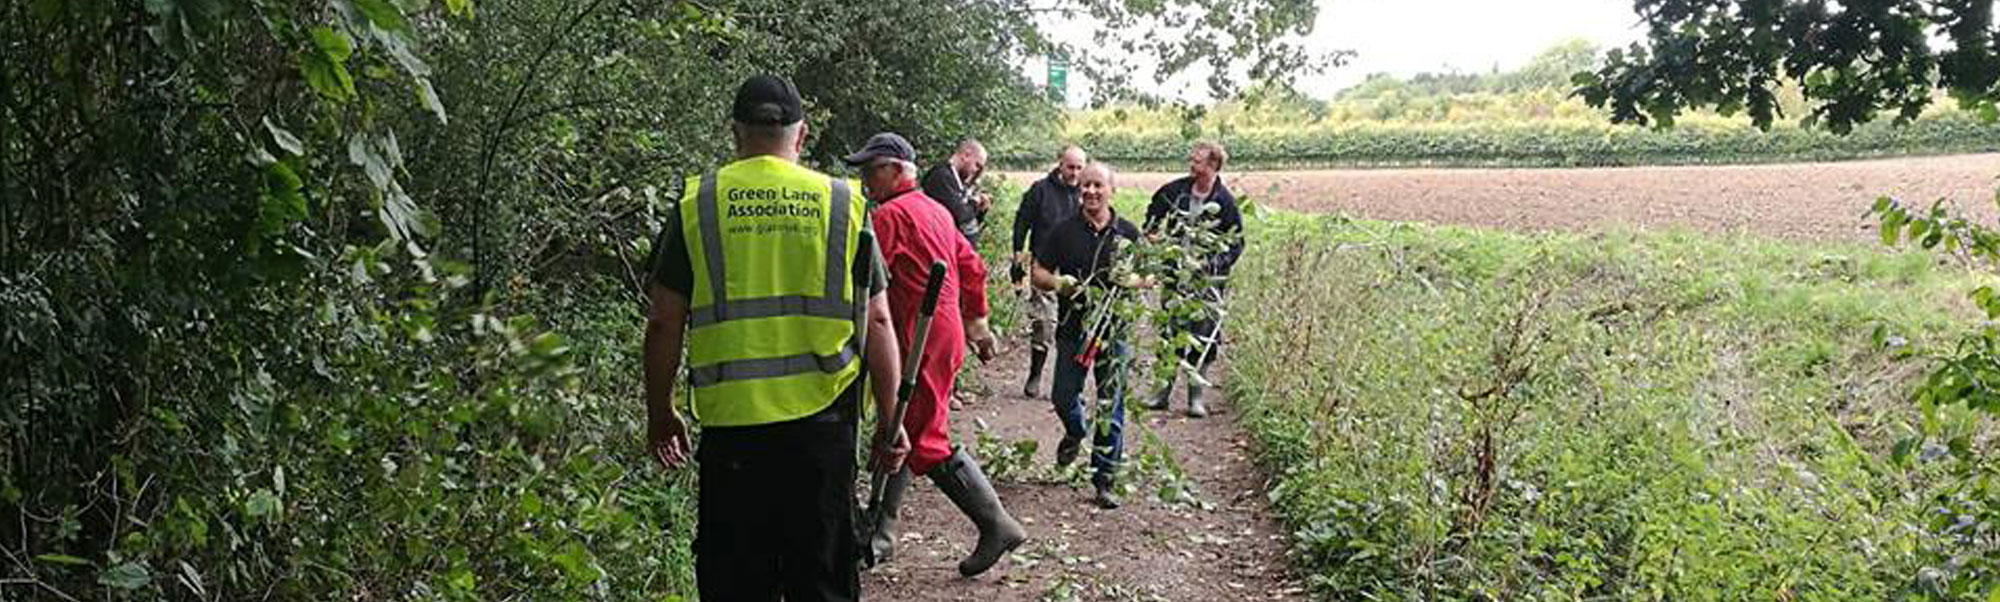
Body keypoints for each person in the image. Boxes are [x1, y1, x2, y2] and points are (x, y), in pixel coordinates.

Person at [642, 74, 908, 602]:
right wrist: (889, 416)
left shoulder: (699, 204)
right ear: (801, 134)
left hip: (733, 433)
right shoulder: (841, 203)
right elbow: (877, 321)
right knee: (823, 578)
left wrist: (660, 411)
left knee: (737, 581)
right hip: (823, 429)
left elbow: (664, 322)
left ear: (735, 134)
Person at [844, 132, 1026, 577]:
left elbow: (862, 287)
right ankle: (878, 534)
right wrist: (977, 321)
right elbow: (972, 267)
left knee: (922, 437)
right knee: (902, 425)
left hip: (916, 336)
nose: (865, 179)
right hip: (941, 335)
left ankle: (995, 523)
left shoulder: (888, 216)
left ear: (897, 171)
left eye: (872, 169)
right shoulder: (936, 211)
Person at [1030, 162, 1144, 509]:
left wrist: (1134, 281)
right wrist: (1059, 283)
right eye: (1085, 186)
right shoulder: (1063, 231)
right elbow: (1039, 272)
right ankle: (1076, 432)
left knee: (1111, 403)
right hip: (1074, 329)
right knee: (1064, 396)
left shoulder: (1127, 233)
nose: (1091, 192)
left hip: (1114, 331)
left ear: (1112, 190)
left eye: (1098, 186)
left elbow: (1149, 274)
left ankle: (1104, 478)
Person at [1142, 141, 1243, 418]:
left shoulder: (1225, 201)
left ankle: (1195, 398)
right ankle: (1161, 394)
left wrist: (1211, 266)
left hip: (1207, 284)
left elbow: (1236, 243)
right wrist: (1152, 232)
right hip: (1175, 277)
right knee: (1170, 331)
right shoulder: (1175, 191)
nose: (1191, 164)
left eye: (1197, 161)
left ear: (1212, 166)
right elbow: (1154, 209)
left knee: (1204, 335)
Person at [1010, 145, 1088, 399]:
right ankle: (1035, 373)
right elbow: (1022, 221)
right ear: (1060, 164)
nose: (1075, 173)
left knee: (1076, 324)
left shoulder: (1088, 192)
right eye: (1070, 167)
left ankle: (1071, 382)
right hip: (1044, 263)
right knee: (1043, 323)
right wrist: (1018, 253)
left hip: (1077, 265)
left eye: (1079, 168)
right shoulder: (1040, 191)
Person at [920, 138, 992, 247]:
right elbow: (960, 215)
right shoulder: (941, 176)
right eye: (977, 165)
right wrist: (975, 202)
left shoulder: (957, 180)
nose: (976, 171)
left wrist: (981, 209)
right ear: (966, 155)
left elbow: (969, 218)